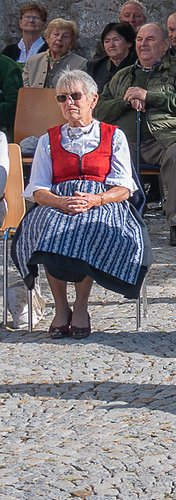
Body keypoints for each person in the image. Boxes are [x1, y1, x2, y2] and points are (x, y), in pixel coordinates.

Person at [15, 69, 146, 337]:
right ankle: (61, 307)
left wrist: (96, 199)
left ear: (93, 100)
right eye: (62, 98)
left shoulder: (113, 135)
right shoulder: (48, 139)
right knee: (49, 228)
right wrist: (59, 202)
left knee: (88, 226)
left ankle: (82, 305)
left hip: (102, 202)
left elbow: (124, 187)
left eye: (76, 96)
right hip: (57, 200)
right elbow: (37, 189)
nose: (69, 103)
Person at [95, 23, 176, 246]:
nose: (143, 44)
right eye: (139, 39)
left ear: (165, 45)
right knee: (105, 155)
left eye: (150, 39)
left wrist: (148, 96)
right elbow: (99, 109)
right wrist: (126, 101)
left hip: (166, 138)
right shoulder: (123, 76)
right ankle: (113, 222)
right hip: (128, 141)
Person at [23, 19, 88, 92]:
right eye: (56, 34)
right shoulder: (32, 61)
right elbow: (25, 90)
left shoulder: (80, 64)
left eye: (65, 36)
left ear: (71, 43)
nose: (59, 39)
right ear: (47, 38)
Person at [89, 21, 137, 91]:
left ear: (129, 43)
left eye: (116, 40)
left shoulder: (138, 65)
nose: (111, 45)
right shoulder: (94, 67)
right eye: (107, 41)